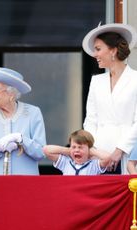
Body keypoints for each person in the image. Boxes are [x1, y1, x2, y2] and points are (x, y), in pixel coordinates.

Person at [82, 23, 137, 174]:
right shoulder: (96, 81)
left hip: (128, 153)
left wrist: (119, 150)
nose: (94, 54)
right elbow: (91, 120)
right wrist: (93, 149)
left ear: (113, 50)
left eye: (98, 49)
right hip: (99, 156)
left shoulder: (135, 79)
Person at [0, 67, 46, 175]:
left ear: (11, 94)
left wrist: (21, 139)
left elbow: (41, 153)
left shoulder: (33, 113)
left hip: (26, 184)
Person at [43, 130, 110, 175]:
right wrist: (69, 151)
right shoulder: (66, 163)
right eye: (74, 147)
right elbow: (46, 150)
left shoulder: (94, 165)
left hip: (86, 195)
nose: (77, 150)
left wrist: (92, 152)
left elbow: (109, 158)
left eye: (80, 147)